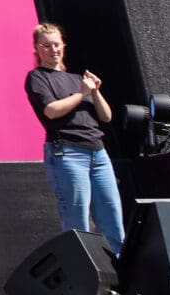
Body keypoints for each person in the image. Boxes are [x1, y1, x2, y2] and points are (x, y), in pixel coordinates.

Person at [26, 23, 124, 256]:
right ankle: (87, 281)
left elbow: (106, 116)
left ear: (64, 46)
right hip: (68, 153)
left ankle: (122, 279)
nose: (53, 50)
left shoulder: (76, 78)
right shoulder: (38, 77)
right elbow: (51, 110)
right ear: (37, 49)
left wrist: (95, 91)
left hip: (98, 153)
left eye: (57, 45)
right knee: (78, 223)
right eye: (46, 46)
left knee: (113, 220)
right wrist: (82, 93)